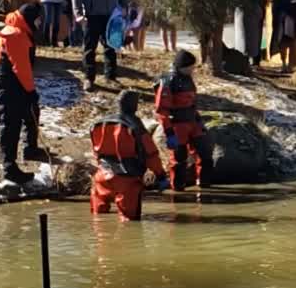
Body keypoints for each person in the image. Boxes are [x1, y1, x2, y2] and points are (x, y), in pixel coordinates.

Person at [0, 3, 48, 184]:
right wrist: (30, 91)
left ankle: (30, 148)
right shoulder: (15, 35)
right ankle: (9, 168)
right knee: (10, 124)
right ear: (31, 18)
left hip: (13, 80)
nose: (40, 22)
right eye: (39, 19)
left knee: (31, 112)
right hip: (7, 83)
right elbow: (21, 68)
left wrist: (30, 94)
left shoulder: (21, 30)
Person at [90, 90, 169, 221]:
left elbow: (96, 151)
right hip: (127, 180)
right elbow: (150, 154)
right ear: (134, 105)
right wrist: (160, 175)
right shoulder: (134, 125)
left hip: (102, 175)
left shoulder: (100, 123)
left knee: (98, 218)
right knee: (129, 221)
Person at [71, 0, 127, 90]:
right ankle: (89, 78)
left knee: (110, 46)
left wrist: (123, 7)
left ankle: (111, 76)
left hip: (110, 15)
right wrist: (78, 14)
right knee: (90, 48)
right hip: (91, 15)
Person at [155, 49, 212, 191]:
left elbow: (192, 102)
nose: (193, 70)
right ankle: (178, 190)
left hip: (192, 121)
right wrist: (169, 133)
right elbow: (162, 110)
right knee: (179, 159)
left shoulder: (187, 78)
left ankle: (204, 186)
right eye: (191, 67)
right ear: (182, 66)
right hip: (177, 125)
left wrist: (198, 121)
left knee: (205, 154)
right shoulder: (168, 82)